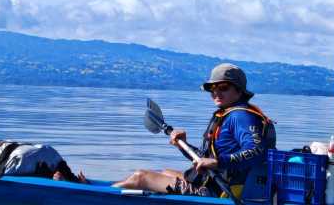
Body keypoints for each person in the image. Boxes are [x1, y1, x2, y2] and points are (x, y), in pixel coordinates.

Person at [113, 63, 275, 200]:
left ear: (239, 91)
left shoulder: (240, 116)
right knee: (165, 172)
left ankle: (94, 196)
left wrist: (218, 162)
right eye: (212, 88)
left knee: (140, 177)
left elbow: (256, 151)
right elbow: (205, 161)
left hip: (219, 192)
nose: (216, 93)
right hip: (211, 181)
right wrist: (183, 145)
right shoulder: (227, 114)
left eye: (223, 87)